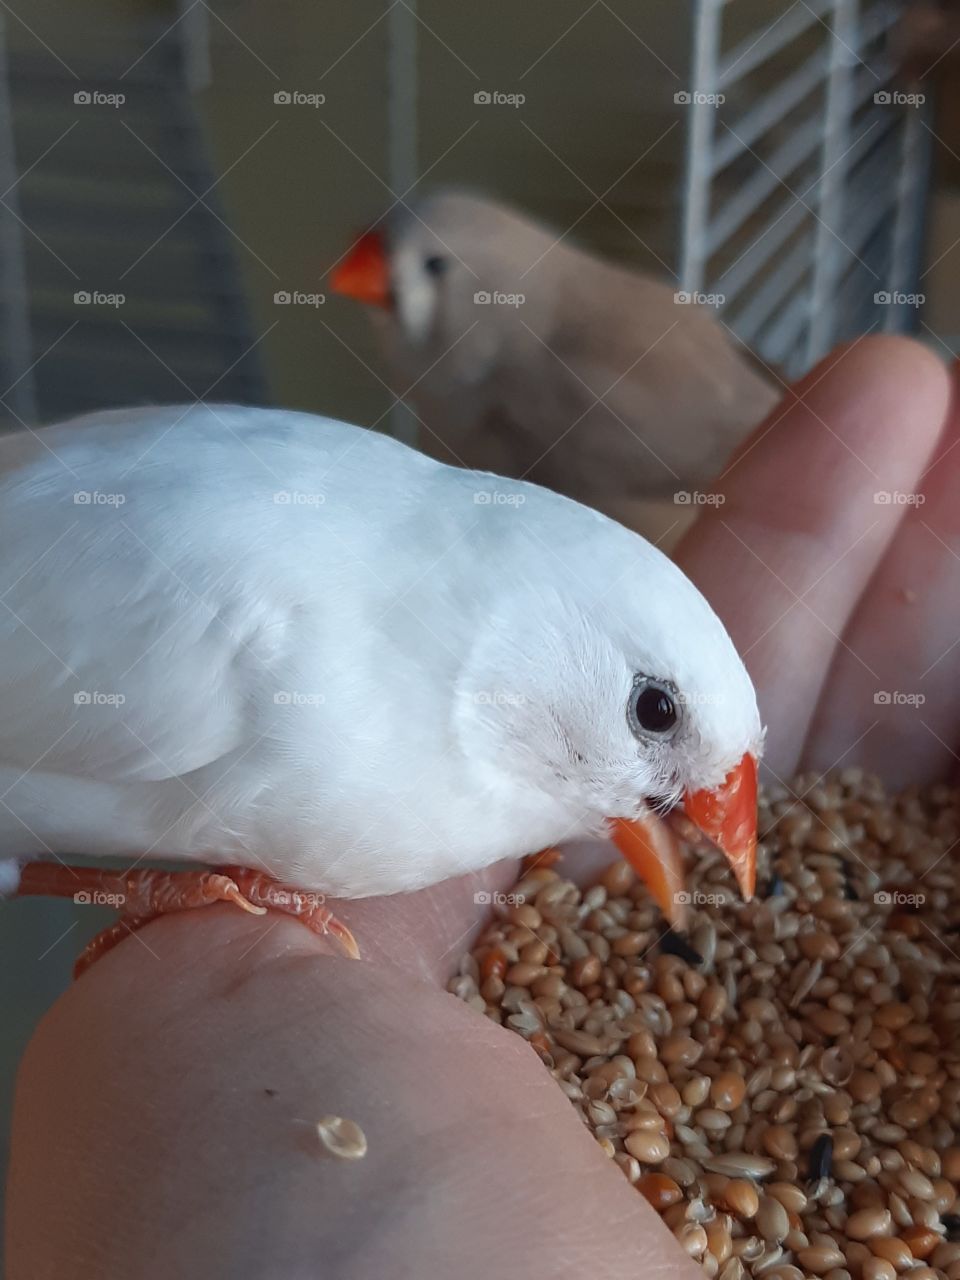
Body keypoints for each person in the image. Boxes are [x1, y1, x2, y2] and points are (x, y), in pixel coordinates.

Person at [5, 335, 955, 1279]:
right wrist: (133, 889)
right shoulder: (267, 627)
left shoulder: (384, 578)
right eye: (651, 714)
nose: (678, 823)